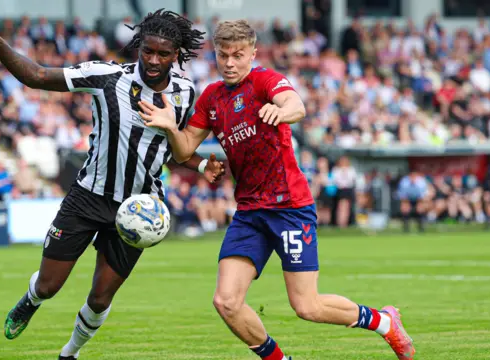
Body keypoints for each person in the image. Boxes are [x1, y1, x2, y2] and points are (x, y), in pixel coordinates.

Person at [139, 19, 415, 360]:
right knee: (226, 302)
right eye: (223, 55)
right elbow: (183, 151)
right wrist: (169, 126)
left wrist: (280, 109)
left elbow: (297, 106)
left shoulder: (264, 81)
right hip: (250, 213)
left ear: (252, 53)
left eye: (238, 55)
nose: (229, 63)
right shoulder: (211, 97)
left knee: (307, 306)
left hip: (289, 207)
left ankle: (383, 321)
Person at [0, 2, 226, 359]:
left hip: (140, 207)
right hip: (88, 196)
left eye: (162, 54)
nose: (152, 60)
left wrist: (198, 166)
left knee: (101, 296)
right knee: (48, 285)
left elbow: (175, 150)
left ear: (176, 55)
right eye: (147, 50)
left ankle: (69, 353)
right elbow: (38, 76)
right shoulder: (107, 77)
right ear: (138, 47)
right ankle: (31, 300)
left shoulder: (185, 92)